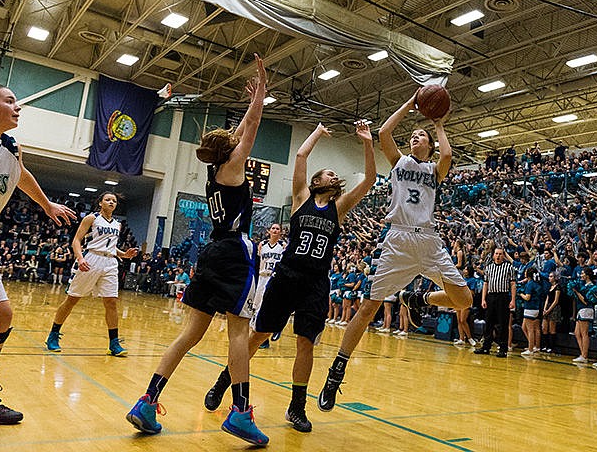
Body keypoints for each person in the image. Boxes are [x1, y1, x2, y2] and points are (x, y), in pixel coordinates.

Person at [125, 54, 269, 445]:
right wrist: (259, 94)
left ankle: (146, 401)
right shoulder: (233, 167)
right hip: (235, 253)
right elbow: (251, 127)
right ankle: (240, 413)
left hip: (210, 253)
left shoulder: (214, 171)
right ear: (231, 149)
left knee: (190, 333)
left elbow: (237, 136)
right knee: (239, 333)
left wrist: (249, 106)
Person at [202, 120, 375, 432]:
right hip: (287, 275)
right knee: (257, 336)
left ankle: (297, 407)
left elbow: (371, 179)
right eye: (329, 174)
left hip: (316, 282)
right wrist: (319, 132)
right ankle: (223, 382)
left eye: (335, 175)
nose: (335, 176)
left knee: (305, 343)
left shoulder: (340, 207)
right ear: (316, 181)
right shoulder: (300, 198)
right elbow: (300, 157)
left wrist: (366, 141)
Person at [318, 90, 471, 412]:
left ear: (427, 144)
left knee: (464, 300)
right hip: (399, 239)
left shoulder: (434, 170)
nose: (415, 138)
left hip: (428, 240)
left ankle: (418, 299)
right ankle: (336, 371)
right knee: (368, 308)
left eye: (421, 136)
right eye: (413, 136)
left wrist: (439, 124)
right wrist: (410, 103)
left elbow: (447, 156)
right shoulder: (399, 162)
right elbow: (385, 132)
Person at [0, 83, 75, 424]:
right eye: (10, 101)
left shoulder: (11, 147)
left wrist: (46, 204)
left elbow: (20, 176)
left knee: (0, 314)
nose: (17, 108)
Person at [45, 192, 138, 355]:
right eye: (108, 199)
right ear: (100, 203)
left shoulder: (117, 224)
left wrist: (124, 254)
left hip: (110, 263)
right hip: (90, 259)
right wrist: (80, 259)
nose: (111, 202)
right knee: (72, 300)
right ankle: (53, 334)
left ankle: (114, 343)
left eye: (114, 201)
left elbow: (110, 246)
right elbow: (76, 240)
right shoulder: (91, 218)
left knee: (111, 302)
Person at [474, 249, 517, 357]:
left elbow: (512, 284)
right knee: (488, 322)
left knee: (503, 324)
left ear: (504, 256)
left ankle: (503, 348)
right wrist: (483, 299)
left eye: (500, 254)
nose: (498, 256)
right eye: (496, 254)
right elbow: (485, 284)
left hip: (503, 296)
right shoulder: (489, 267)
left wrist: (513, 300)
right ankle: (486, 347)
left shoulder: (508, 267)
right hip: (491, 296)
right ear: (493, 255)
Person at [253, 223, 285, 349]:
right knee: (257, 307)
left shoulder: (283, 246)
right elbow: (257, 262)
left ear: (280, 232)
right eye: (273, 228)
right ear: (269, 231)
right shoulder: (262, 245)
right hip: (261, 277)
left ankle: (276, 328)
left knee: (268, 307)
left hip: (274, 278)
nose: (275, 230)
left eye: (277, 229)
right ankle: (262, 338)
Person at [519, 267, 541, 356]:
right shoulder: (535, 283)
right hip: (535, 308)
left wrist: (520, 294)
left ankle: (531, 349)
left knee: (530, 330)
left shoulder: (530, 284)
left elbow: (527, 297)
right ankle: (534, 346)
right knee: (525, 327)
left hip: (530, 308)